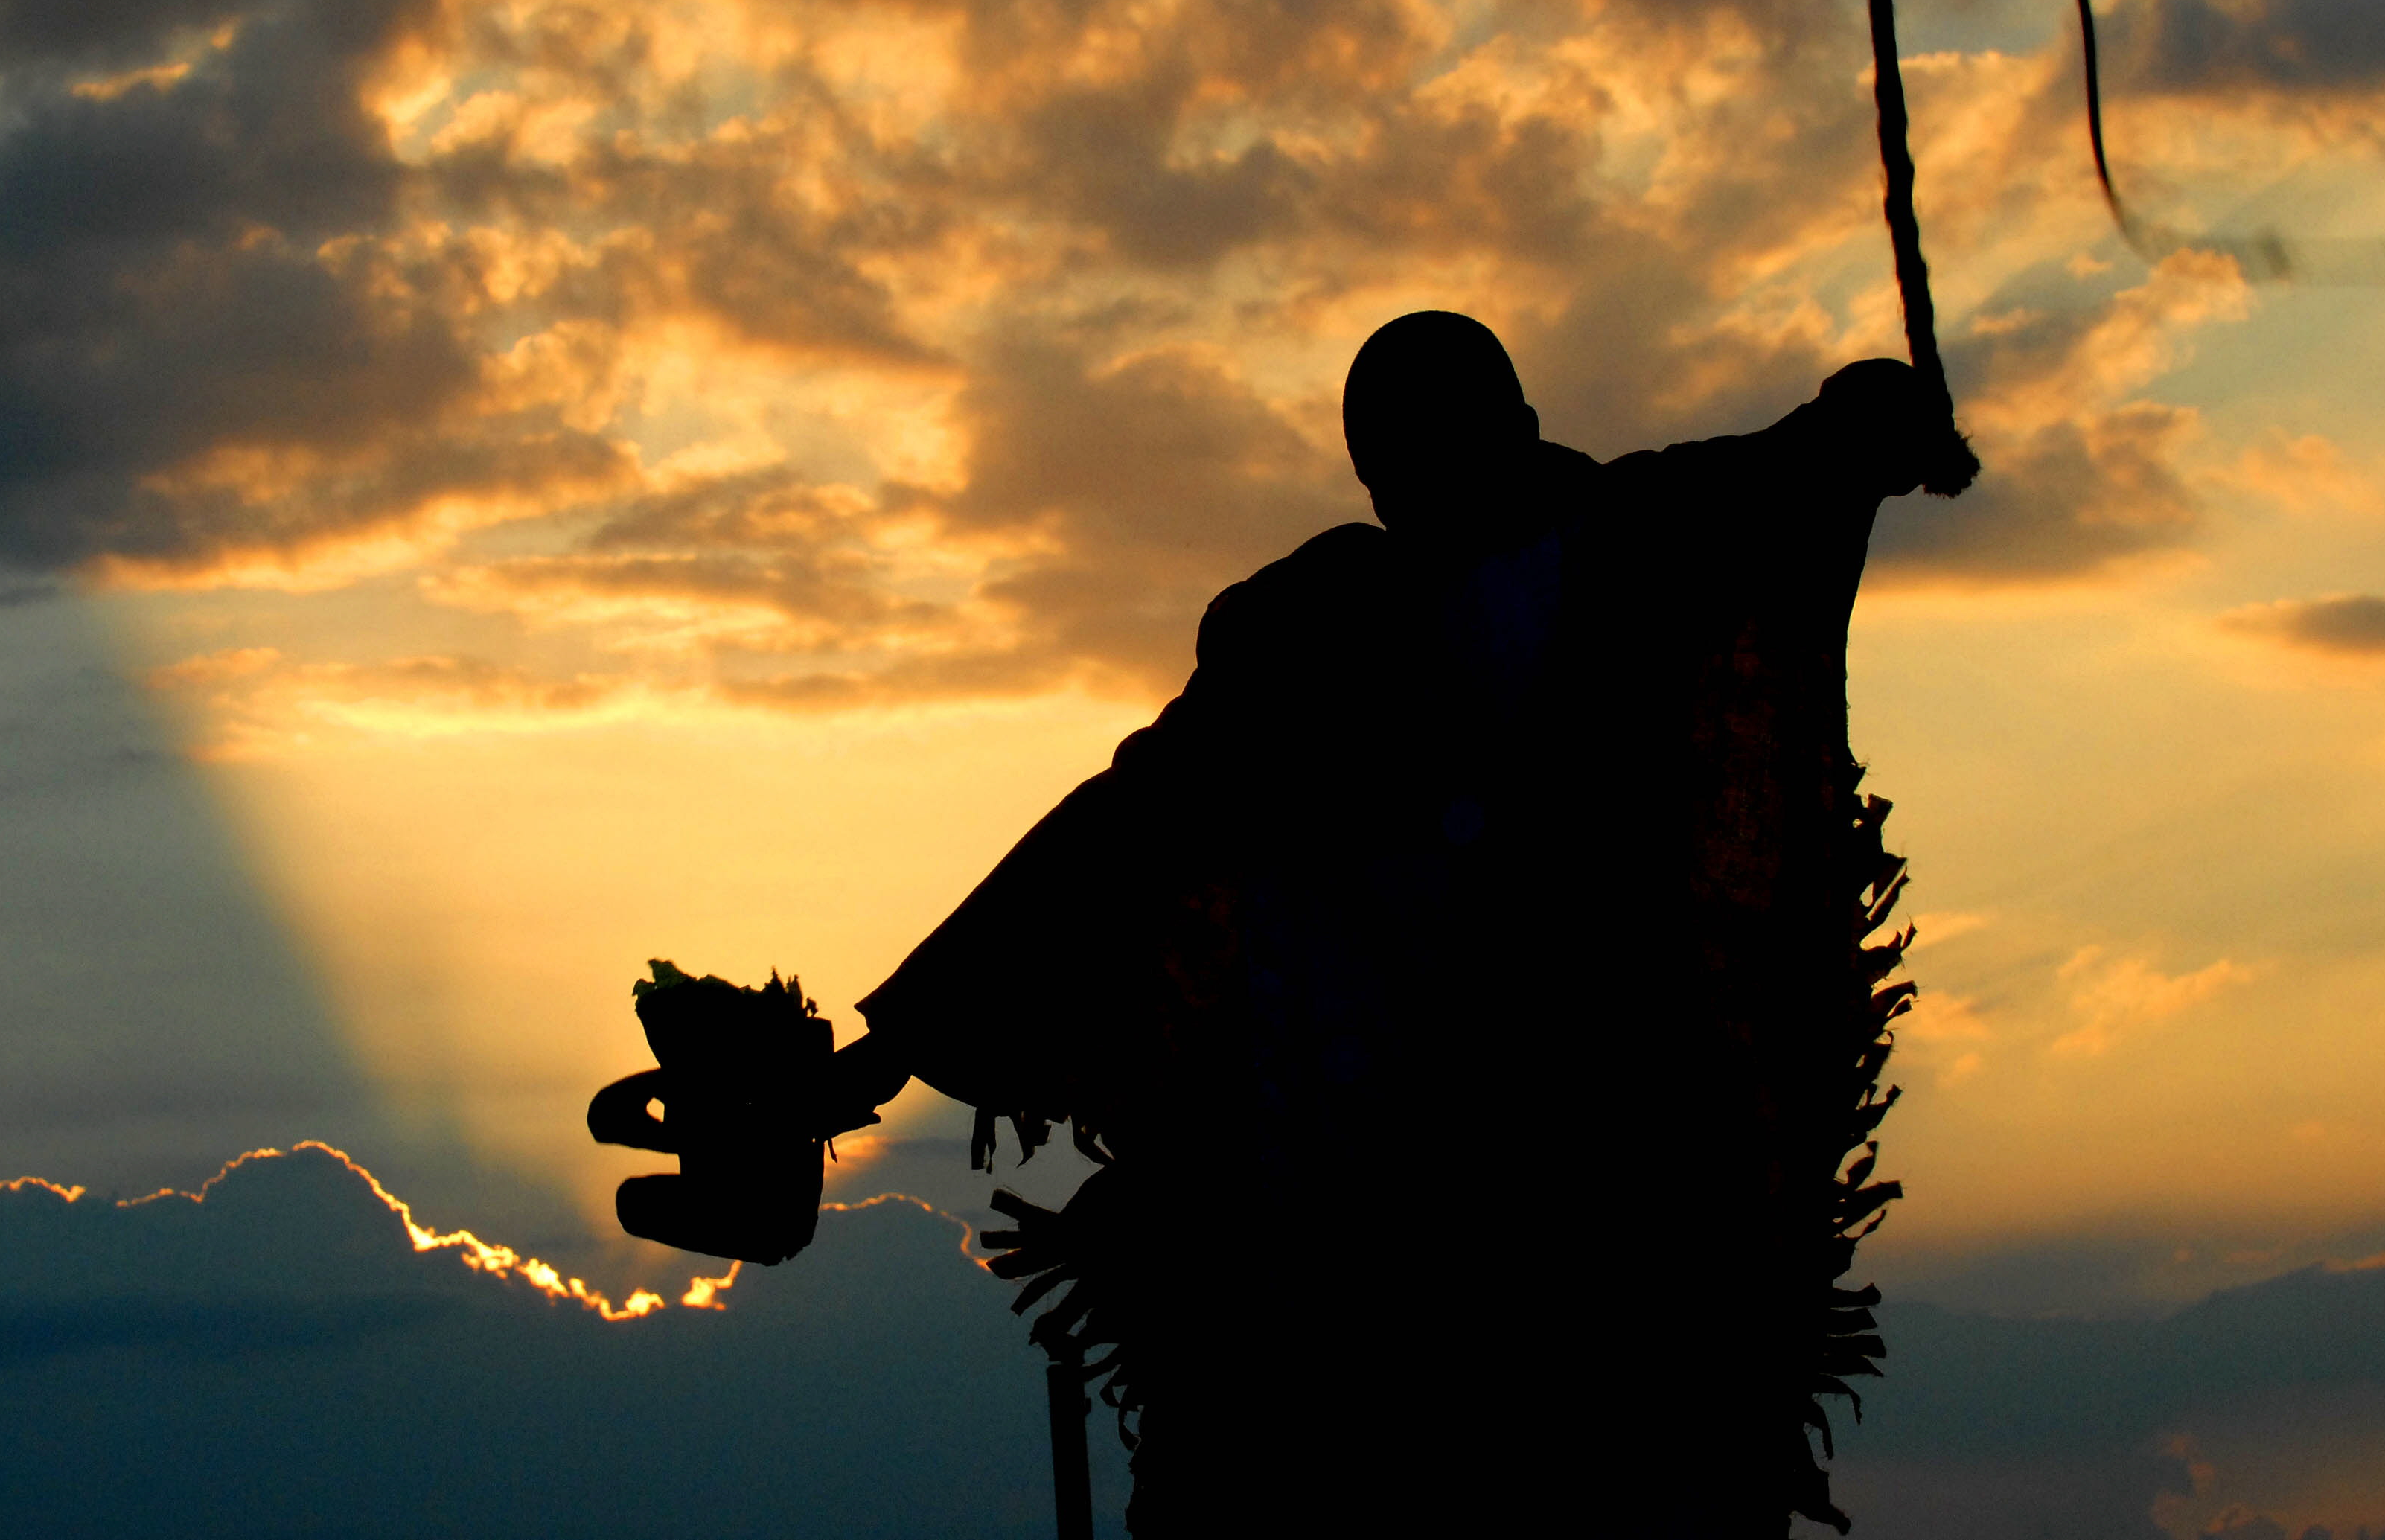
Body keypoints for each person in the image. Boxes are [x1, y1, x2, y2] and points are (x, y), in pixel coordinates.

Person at [834, 310, 1961, 1535]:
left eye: (1446, 436)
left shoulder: (1628, 550)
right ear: (1372, 478)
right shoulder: (1307, 638)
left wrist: (1863, 423)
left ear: (1520, 431)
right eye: (1396, 453)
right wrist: (897, 1040)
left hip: (1599, 1243)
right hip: (1331, 1271)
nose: (1423, 476)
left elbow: (1775, 476)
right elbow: (1124, 826)